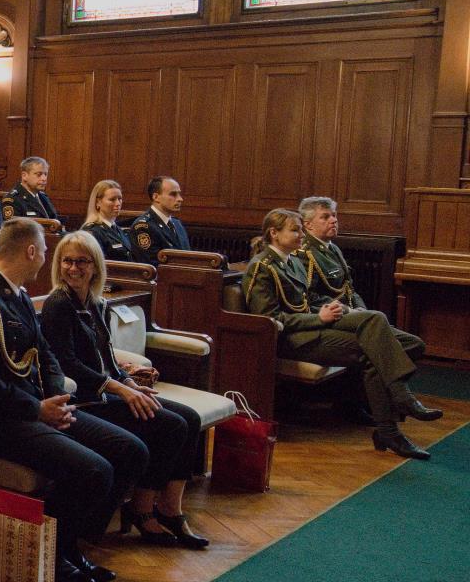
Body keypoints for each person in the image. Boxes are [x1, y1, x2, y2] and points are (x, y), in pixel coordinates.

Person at [0, 219, 147, 582]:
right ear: (31, 251)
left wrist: (57, 396)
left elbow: (48, 356)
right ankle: (56, 553)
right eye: (44, 251)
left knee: (130, 451)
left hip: (40, 410)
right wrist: (35, 409)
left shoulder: (19, 295)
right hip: (3, 421)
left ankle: (70, 546)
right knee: (96, 471)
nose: (46, 260)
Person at [39, 231, 207, 549]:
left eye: (82, 262)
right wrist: (120, 388)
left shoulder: (96, 302)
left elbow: (106, 356)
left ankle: (171, 508)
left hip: (108, 391)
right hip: (86, 400)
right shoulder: (58, 303)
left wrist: (129, 381)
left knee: (189, 417)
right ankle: (142, 511)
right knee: (171, 425)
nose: (73, 268)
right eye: (67, 261)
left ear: (96, 266)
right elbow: (67, 363)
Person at [243, 208, 440, 459]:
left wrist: (333, 307)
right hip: (291, 340)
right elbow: (269, 320)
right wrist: (319, 317)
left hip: (312, 327)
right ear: (274, 233)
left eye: (302, 229)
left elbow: (309, 298)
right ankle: (395, 417)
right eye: (295, 230)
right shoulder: (262, 267)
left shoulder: (291, 259)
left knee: (377, 322)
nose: (302, 234)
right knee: (372, 350)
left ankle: (392, 421)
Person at [297, 197, 424, 366]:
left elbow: (349, 289)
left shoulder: (332, 248)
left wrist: (360, 309)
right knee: (384, 342)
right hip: (332, 318)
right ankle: (389, 391)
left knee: (414, 344)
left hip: (351, 315)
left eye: (334, 215)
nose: (333, 220)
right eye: (325, 217)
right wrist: (349, 311)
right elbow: (310, 297)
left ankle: (373, 386)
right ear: (308, 225)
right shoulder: (305, 254)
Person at [130, 176, 190, 264]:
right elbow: (151, 264)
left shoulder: (176, 223)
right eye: (173, 194)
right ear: (156, 197)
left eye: (179, 194)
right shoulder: (143, 227)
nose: (180, 199)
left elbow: (188, 255)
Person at [82, 179, 135, 263]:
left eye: (120, 198)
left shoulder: (116, 229)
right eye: (112, 199)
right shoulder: (92, 231)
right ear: (98, 202)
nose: (118, 203)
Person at [3, 156, 58, 221]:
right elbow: (14, 229)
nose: (44, 179)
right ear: (24, 176)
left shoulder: (43, 196)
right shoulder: (13, 200)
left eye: (45, 174)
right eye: (39, 174)